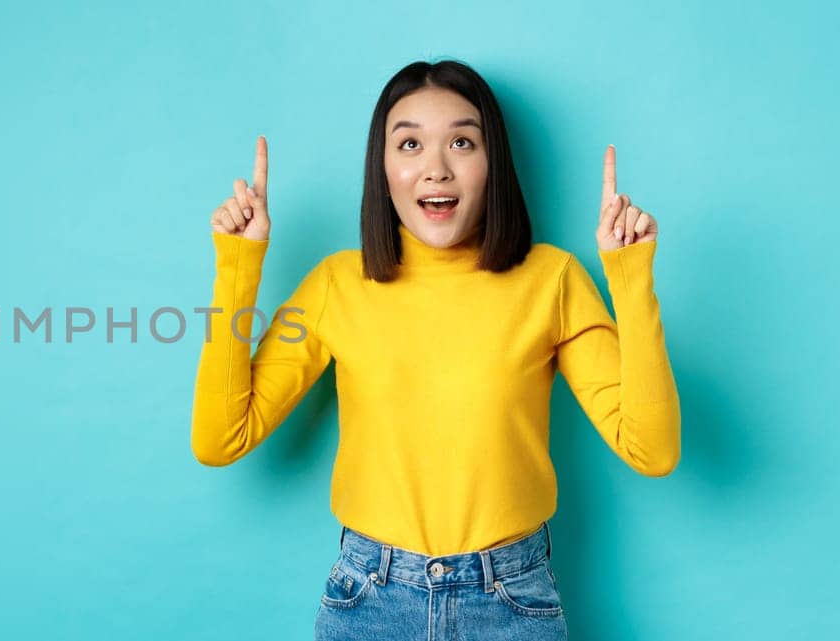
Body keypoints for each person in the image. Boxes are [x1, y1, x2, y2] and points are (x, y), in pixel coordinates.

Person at [189, 59, 680, 641]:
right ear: (384, 167)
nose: (436, 169)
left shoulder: (553, 281)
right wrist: (238, 265)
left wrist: (628, 277)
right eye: (411, 144)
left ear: (491, 162)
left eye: (462, 142)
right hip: (369, 601)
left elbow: (652, 450)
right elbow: (220, 439)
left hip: (511, 603)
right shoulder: (335, 286)